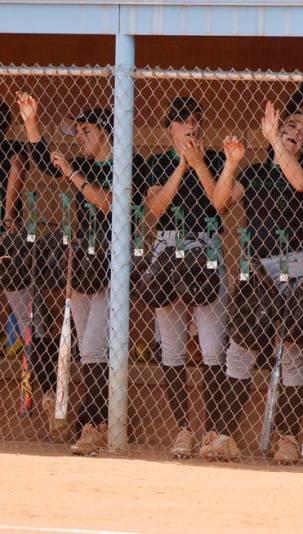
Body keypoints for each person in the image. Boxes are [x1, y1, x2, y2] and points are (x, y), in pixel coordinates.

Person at [16, 91, 145, 455]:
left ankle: (95, 426)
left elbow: (107, 203)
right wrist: (31, 123)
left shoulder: (126, 163)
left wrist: (73, 174)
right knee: (89, 348)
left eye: (86, 131)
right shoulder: (83, 166)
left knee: (91, 347)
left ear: (105, 132)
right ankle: (95, 423)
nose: (81, 138)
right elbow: (45, 163)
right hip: (84, 267)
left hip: (113, 266)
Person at [201, 101, 303, 463]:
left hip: (298, 265)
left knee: (292, 352)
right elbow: (219, 203)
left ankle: (286, 437)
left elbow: (299, 183)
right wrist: (232, 163)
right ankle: (224, 435)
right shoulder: (254, 173)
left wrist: (275, 140)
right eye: (293, 125)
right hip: (260, 268)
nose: (298, 131)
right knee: (240, 349)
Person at [140, 97, 231, 459]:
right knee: (172, 348)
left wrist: (198, 165)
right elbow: (156, 208)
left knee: (212, 348)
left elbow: (219, 203)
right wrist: (181, 165)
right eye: (181, 121)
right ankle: (183, 429)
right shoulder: (158, 161)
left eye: (195, 119)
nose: (189, 126)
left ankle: (210, 431)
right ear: (170, 128)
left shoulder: (217, 159)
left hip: (205, 245)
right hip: (168, 244)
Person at [1, 101, 60, 439]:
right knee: (29, 323)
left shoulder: (10, 147)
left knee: (30, 322)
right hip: (9, 235)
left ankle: (52, 393)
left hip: (8, 239)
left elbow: (17, 166)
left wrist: (8, 215)